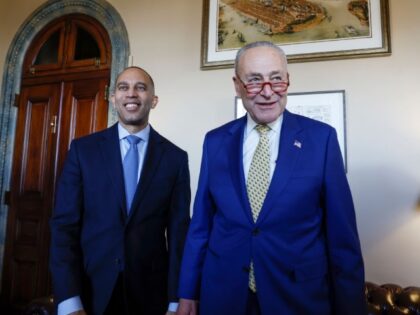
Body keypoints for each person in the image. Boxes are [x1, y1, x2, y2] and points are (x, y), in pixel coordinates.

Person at [176, 41, 366, 315]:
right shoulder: (215, 141)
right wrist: (187, 293)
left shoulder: (321, 139)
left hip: (297, 297)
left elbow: (342, 237)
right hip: (223, 296)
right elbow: (201, 225)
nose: (267, 92)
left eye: (276, 79)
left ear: (288, 80)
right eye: (254, 81)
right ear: (237, 85)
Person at [50, 66, 191, 315]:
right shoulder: (83, 151)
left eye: (141, 87)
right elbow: (64, 227)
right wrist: (69, 300)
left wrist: (174, 300)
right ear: (113, 98)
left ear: (154, 100)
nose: (131, 94)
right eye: (123, 87)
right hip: (89, 291)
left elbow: (179, 235)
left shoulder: (175, 159)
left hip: (150, 295)